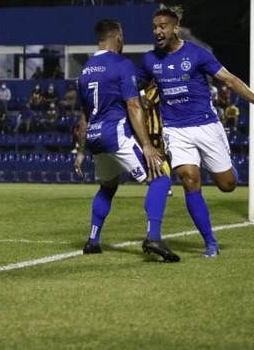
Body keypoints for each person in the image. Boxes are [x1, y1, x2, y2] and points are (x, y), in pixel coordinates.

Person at [137, 7, 254, 257]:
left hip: (206, 126)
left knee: (227, 185)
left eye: (162, 26)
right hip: (175, 129)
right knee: (189, 179)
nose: (157, 31)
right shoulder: (149, 60)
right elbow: (135, 88)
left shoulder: (197, 54)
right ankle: (210, 242)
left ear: (175, 27)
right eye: (155, 27)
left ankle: (226, 168)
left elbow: (228, 80)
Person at [74, 19, 179, 262]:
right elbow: (133, 105)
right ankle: (154, 236)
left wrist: (80, 152)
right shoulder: (122, 64)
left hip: (94, 138)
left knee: (108, 186)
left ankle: (93, 240)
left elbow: (84, 117)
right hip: (116, 134)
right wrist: (147, 145)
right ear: (118, 38)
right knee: (161, 177)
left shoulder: (85, 69)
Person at [140, 82, 174, 197]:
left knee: (159, 156)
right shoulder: (148, 90)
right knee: (155, 157)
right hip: (147, 128)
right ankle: (158, 183)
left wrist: (140, 92)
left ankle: (166, 186)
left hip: (155, 129)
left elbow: (146, 104)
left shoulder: (156, 90)